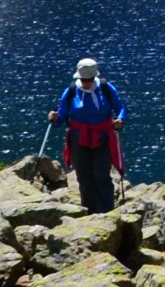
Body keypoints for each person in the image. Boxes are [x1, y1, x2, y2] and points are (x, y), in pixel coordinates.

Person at [49, 57, 127, 210]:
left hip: (102, 137)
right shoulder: (71, 91)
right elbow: (62, 114)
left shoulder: (106, 88)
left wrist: (120, 119)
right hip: (79, 138)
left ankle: (106, 210)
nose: (87, 82)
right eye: (84, 79)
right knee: (83, 177)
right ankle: (89, 210)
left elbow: (120, 107)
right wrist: (55, 118)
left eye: (89, 79)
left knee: (101, 174)